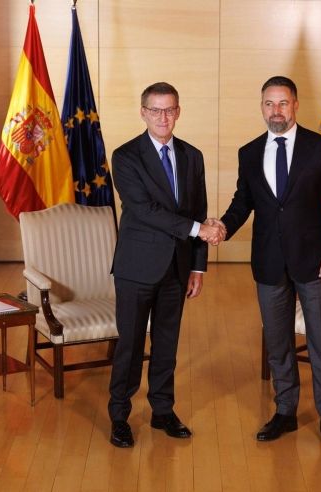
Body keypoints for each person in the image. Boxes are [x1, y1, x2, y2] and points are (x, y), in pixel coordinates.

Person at [215, 76, 321, 451]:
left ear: (295, 105)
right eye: (269, 103)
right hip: (269, 263)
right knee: (278, 345)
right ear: (262, 107)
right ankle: (286, 411)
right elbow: (243, 203)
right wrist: (222, 228)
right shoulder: (249, 152)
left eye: (283, 103)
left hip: (314, 263)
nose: (276, 111)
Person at [108, 82, 223, 448]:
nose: (163, 117)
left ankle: (162, 410)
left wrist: (198, 267)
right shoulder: (126, 156)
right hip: (136, 268)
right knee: (130, 346)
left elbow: (199, 210)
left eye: (169, 109)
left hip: (177, 267)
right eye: (155, 110)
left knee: (167, 344)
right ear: (143, 113)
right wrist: (199, 230)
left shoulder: (192, 156)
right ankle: (119, 416)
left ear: (178, 112)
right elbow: (145, 210)